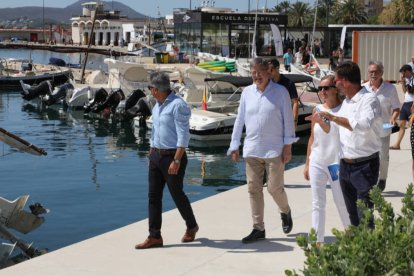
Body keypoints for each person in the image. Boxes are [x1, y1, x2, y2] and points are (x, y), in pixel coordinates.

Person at [227, 57, 297, 243]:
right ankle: (258, 228)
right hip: (252, 148)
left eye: (260, 72)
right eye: (253, 72)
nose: (256, 75)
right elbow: (239, 120)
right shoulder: (246, 93)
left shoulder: (280, 92)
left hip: (274, 149)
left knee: (274, 188)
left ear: (268, 72)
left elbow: (288, 120)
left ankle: (285, 211)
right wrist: (234, 145)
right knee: (253, 189)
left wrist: (288, 145)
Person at [135, 71, 199, 249]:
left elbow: (183, 136)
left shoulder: (178, 106)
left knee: (177, 194)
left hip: (173, 156)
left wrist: (177, 160)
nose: (149, 91)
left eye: (150, 88)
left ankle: (191, 226)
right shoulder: (157, 106)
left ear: (156, 89)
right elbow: (155, 132)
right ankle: (154, 236)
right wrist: (151, 153)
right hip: (156, 155)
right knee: (153, 197)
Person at [319, 61, 382, 227]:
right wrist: (323, 119)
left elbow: (363, 125)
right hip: (345, 166)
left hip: (365, 166)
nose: (335, 85)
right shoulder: (346, 102)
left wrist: (334, 118)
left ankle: (369, 252)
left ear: (345, 81)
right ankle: (357, 250)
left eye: (335, 81)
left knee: (365, 216)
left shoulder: (369, 99)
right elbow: (336, 127)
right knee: (352, 217)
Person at [304, 75, 350, 244]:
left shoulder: (344, 110)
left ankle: (351, 235)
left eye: (326, 88)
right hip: (317, 161)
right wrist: (307, 163)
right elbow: (312, 138)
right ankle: (318, 241)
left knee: (341, 201)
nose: (322, 92)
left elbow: (336, 132)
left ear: (335, 89)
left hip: (335, 164)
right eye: (320, 89)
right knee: (317, 203)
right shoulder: (316, 109)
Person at [362, 61, 400, 191]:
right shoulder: (363, 88)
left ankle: (382, 178)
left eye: (376, 72)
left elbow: (396, 108)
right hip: (367, 129)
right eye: (371, 72)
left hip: (384, 127)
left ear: (381, 73)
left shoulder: (390, 89)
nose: (373, 74)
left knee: (383, 156)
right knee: (366, 156)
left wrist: (393, 118)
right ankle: (370, 181)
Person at [268, 58, 299, 129]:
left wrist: (294, 121)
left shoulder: (289, 83)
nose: (269, 72)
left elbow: (295, 102)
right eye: (267, 70)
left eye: (271, 70)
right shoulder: (267, 83)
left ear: (277, 68)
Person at [390, 64, 414, 150]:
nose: (403, 75)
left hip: (412, 104)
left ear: (408, 71)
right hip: (406, 103)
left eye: (404, 73)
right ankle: (397, 144)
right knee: (402, 125)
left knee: (412, 125)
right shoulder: (407, 80)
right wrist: (403, 83)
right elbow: (405, 92)